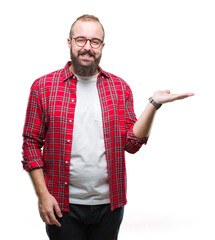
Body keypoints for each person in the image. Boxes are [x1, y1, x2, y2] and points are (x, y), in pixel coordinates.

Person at [22, 14, 194, 240]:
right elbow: (31, 144)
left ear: (102, 46)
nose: (87, 47)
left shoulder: (119, 88)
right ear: (69, 42)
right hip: (61, 204)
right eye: (80, 40)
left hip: (109, 207)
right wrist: (42, 195)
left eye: (94, 42)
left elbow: (131, 144)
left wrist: (153, 105)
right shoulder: (43, 87)